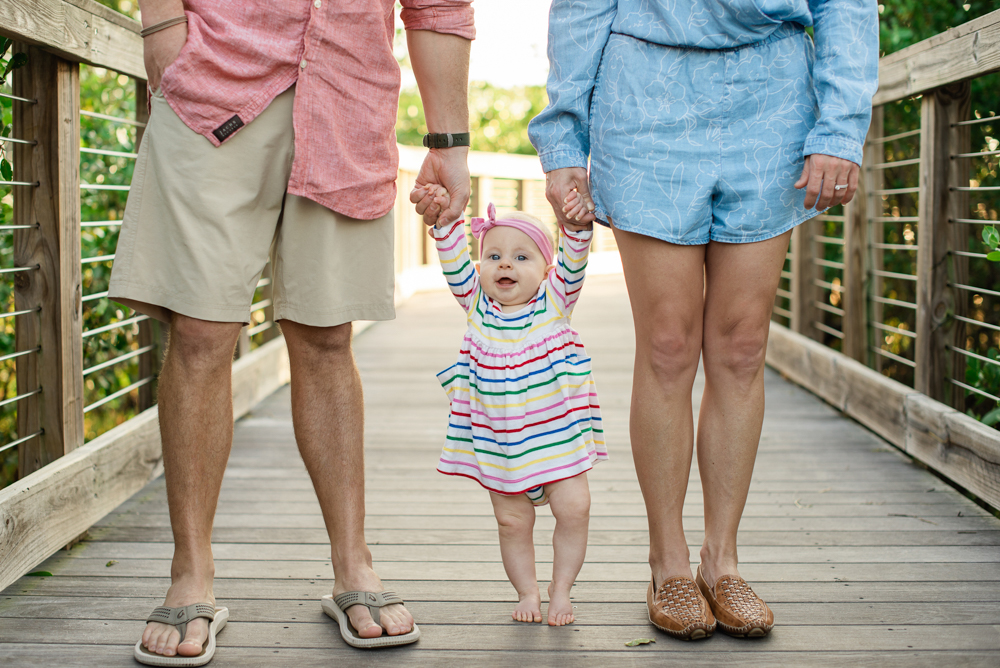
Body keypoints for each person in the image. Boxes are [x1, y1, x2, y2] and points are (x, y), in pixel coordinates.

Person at [109, 0, 474, 662]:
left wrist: (449, 142)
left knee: (328, 335)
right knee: (198, 333)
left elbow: (439, 6)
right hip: (215, 78)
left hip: (348, 99)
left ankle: (353, 566)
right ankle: (189, 573)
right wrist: (162, 29)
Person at [529, 0, 878, 640]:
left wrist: (839, 128)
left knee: (742, 346)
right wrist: (563, 139)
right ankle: (668, 563)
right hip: (644, 94)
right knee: (667, 344)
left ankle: (722, 560)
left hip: (771, 95)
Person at [422, 195, 607, 626]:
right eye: (494, 256)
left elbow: (574, 259)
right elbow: (454, 262)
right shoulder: (477, 309)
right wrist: (446, 223)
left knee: (575, 508)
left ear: (546, 271)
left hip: (557, 442)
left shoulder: (555, 304)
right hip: (500, 447)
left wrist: (575, 228)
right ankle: (527, 591)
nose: (505, 265)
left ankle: (561, 589)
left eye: (521, 256)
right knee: (511, 522)